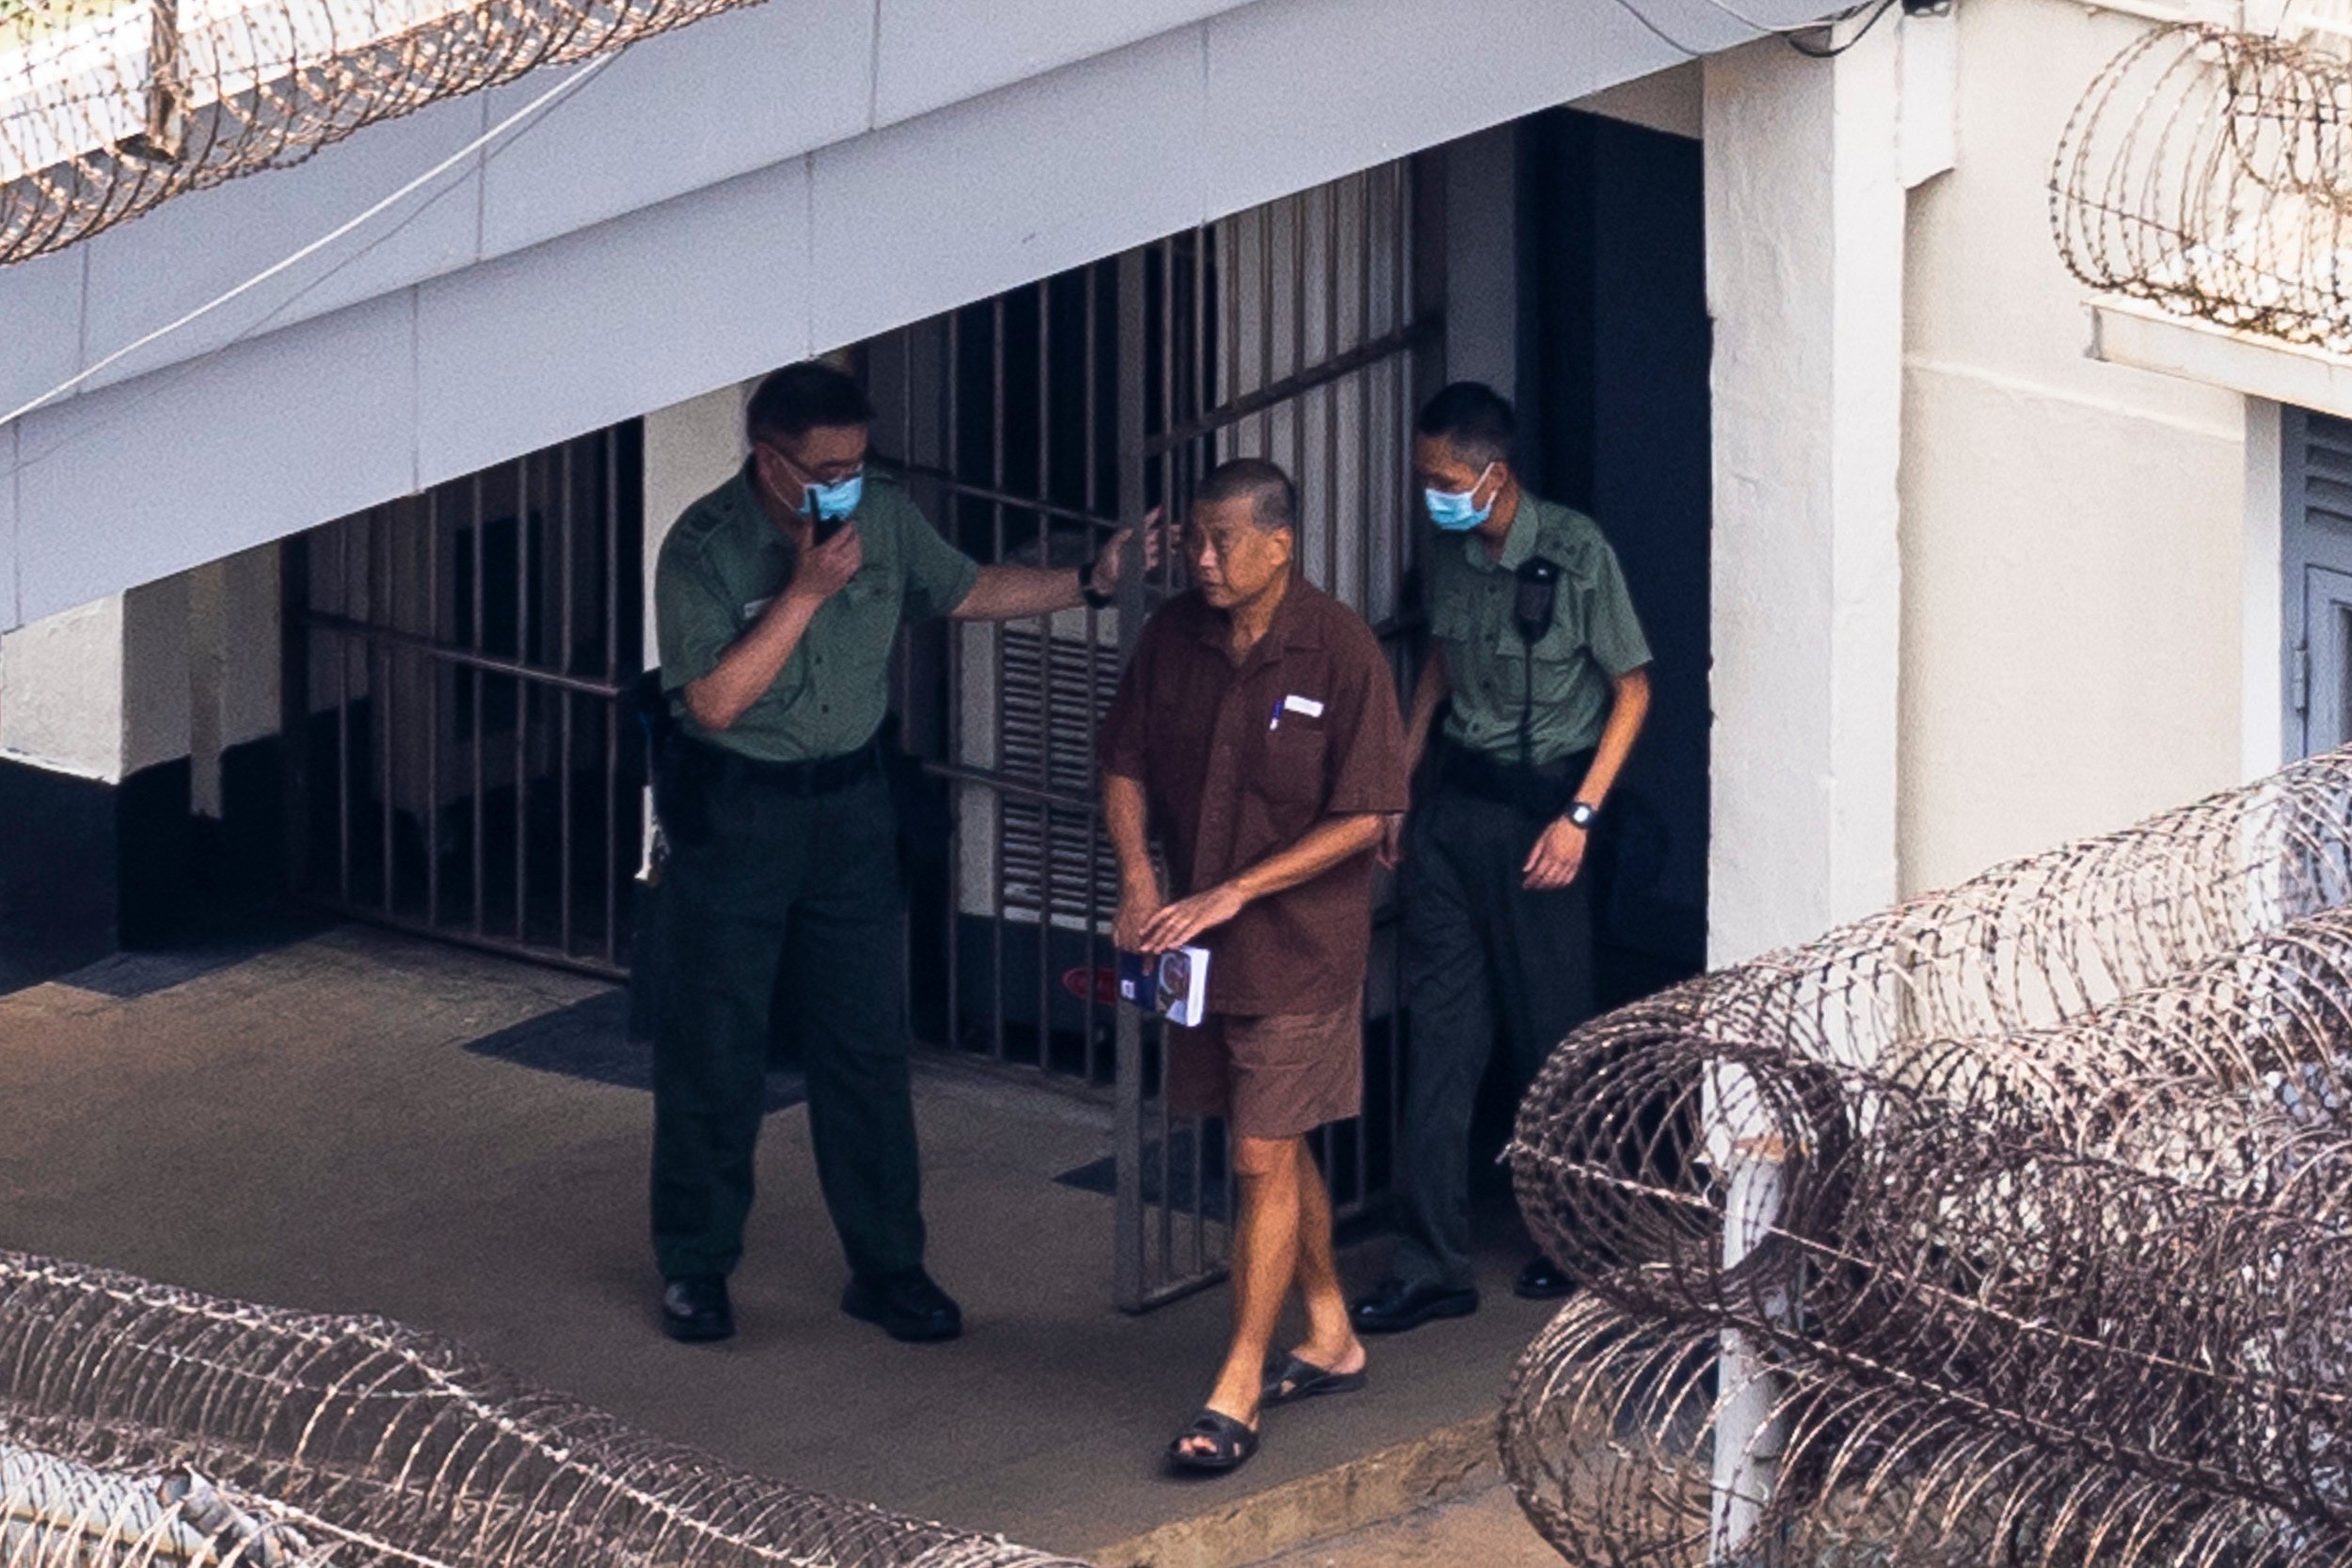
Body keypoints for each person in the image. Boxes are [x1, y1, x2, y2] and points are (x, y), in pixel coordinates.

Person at [650, 360, 1152, 1345]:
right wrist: (800, 594)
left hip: (850, 805)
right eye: (824, 466)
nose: (845, 480)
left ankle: (887, 1263)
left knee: (866, 1044)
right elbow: (711, 702)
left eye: (856, 461)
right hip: (741, 808)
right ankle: (695, 1262)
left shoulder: (879, 515)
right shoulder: (704, 548)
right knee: (717, 1045)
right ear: (769, 459)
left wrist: (1089, 580)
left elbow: (962, 588)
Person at [1100, 458, 1410, 1474]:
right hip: (1198, 946)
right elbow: (1124, 760)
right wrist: (1140, 879)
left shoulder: (1341, 651)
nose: (1200, 557)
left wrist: (1239, 887)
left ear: (1281, 544)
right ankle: (1330, 1329)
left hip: (1303, 949)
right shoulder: (1173, 637)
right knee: (1266, 1141)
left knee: (1257, 1156)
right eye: (1193, 537)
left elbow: (1369, 811)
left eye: (1221, 540)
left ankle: (1237, 1382)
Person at [1350, 382, 1654, 1337]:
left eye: (1446, 479)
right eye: (1425, 479)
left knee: (1550, 1040)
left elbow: (1633, 690)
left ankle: (1575, 1239)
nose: (1433, 494)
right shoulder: (1451, 549)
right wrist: (1398, 780)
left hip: (1542, 819)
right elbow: (1439, 663)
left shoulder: (1573, 551)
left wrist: (1578, 816)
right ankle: (1429, 1257)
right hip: (1456, 810)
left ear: (1495, 472)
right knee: (1441, 1041)